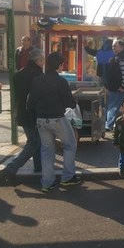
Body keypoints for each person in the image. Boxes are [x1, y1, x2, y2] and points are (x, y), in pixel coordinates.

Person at [27, 52, 80, 192]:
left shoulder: (37, 80)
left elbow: (30, 102)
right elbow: (69, 102)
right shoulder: (61, 81)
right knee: (70, 144)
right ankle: (68, 177)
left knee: (46, 150)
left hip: (40, 120)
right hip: (57, 118)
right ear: (60, 65)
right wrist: (73, 101)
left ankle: (47, 183)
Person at [3, 48, 45, 184]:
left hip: (22, 111)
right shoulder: (38, 75)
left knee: (36, 140)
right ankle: (12, 166)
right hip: (34, 113)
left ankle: (39, 167)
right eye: (42, 59)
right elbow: (38, 97)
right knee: (34, 141)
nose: (43, 62)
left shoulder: (19, 74)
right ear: (38, 60)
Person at [105, 39, 124, 132]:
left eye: (115, 46)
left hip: (119, 88)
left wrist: (123, 86)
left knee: (113, 107)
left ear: (122, 47)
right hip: (119, 88)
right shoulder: (120, 56)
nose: (113, 48)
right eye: (113, 46)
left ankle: (108, 125)